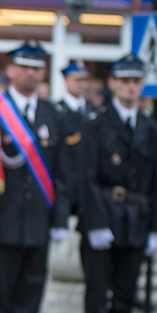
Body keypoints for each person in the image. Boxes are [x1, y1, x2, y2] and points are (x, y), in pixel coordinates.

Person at [0, 38, 69, 313]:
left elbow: (63, 172)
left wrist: (60, 220)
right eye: (24, 67)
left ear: (43, 72)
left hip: (38, 222)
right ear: (11, 70)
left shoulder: (53, 115)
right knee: (0, 292)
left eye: (37, 68)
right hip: (2, 221)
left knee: (31, 293)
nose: (30, 74)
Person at [78, 53, 157, 313]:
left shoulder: (152, 128)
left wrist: (156, 226)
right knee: (98, 293)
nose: (131, 87)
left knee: (126, 292)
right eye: (125, 81)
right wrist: (96, 222)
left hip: (137, 220)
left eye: (136, 82)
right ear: (112, 84)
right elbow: (85, 178)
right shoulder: (96, 125)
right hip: (104, 216)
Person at [54, 60, 92, 216]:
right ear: (65, 80)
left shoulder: (93, 112)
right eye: (77, 80)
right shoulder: (56, 111)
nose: (81, 85)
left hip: (86, 193)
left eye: (84, 80)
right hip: (64, 190)